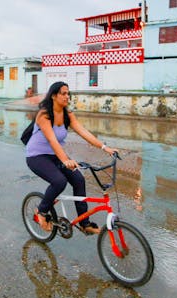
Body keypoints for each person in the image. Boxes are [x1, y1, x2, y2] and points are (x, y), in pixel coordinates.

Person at [26, 81, 117, 234]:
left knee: (79, 180)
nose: (67, 96)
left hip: (55, 155)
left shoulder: (67, 114)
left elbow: (84, 132)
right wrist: (65, 160)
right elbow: (52, 140)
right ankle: (41, 212)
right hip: (37, 156)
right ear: (54, 96)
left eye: (68, 93)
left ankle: (84, 223)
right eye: (63, 93)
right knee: (59, 181)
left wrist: (104, 147)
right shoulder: (44, 114)